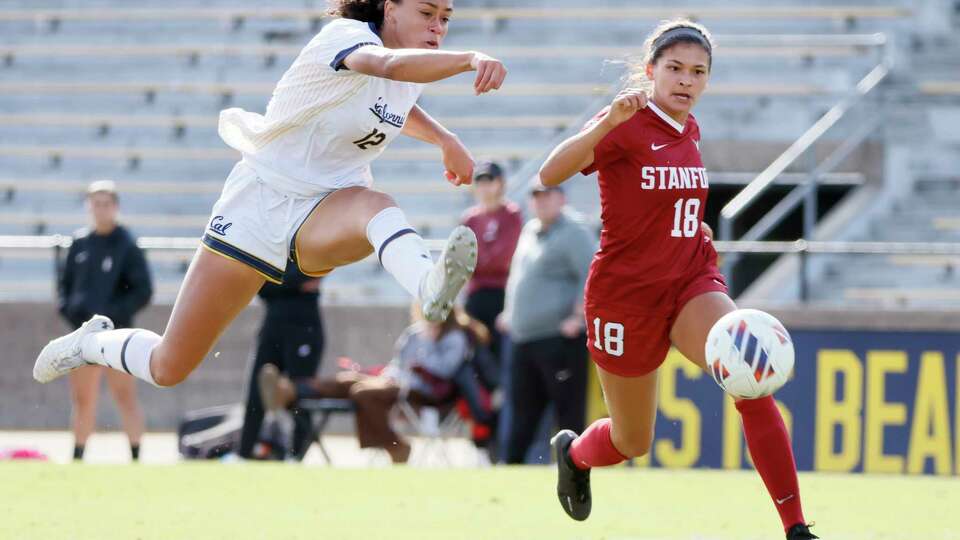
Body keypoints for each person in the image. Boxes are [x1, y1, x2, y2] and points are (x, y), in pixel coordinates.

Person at [34, 1, 507, 395]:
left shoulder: (413, 69)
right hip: (258, 205)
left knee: (376, 206)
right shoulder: (343, 36)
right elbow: (383, 66)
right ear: (389, 8)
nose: (438, 27)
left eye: (446, 17)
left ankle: (430, 287)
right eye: (427, 12)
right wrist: (468, 60)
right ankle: (91, 344)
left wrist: (444, 138)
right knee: (168, 367)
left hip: (329, 205)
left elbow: (393, 97)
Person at [537, 20, 817, 540]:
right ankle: (574, 454)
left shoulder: (689, 126)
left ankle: (795, 526)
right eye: (674, 69)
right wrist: (603, 125)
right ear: (650, 71)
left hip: (690, 279)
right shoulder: (625, 119)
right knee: (631, 441)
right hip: (625, 298)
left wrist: (689, 224)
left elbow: (667, 194)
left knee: (750, 376)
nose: (686, 81)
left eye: (698, 72)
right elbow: (549, 174)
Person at [258, 305, 490, 463]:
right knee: (348, 380)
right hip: (396, 380)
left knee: (364, 393)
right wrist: (390, 373)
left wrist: (426, 349)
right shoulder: (415, 332)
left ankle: (395, 445)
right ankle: (289, 391)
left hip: (425, 390)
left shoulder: (454, 336)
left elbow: (445, 370)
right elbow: (398, 362)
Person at [499, 180, 594, 464]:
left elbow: (592, 276)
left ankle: (573, 472)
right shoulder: (530, 230)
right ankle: (510, 472)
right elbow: (519, 277)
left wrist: (578, 317)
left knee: (567, 414)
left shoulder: (574, 231)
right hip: (523, 337)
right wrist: (509, 313)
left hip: (559, 338)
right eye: (536, 196)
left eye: (547, 195)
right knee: (521, 413)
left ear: (562, 198)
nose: (541, 201)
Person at [58, 180, 152, 462]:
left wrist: (113, 315)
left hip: (116, 335)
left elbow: (143, 290)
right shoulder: (80, 243)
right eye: (96, 204)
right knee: (82, 399)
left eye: (106, 203)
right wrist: (72, 311)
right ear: (89, 206)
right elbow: (65, 287)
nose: (101, 209)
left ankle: (135, 455)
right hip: (83, 335)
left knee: (124, 396)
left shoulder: (127, 245)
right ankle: (78, 455)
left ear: (116, 207)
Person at [238, 264, 324, 460]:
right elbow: (259, 286)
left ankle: (296, 455)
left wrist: (275, 281)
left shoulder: (306, 241)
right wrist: (293, 282)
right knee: (256, 391)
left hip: (304, 327)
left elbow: (313, 272)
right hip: (272, 327)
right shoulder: (270, 246)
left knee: (300, 392)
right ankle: (244, 454)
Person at [460, 161, 523, 378]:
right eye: (481, 182)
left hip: (501, 294)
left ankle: (500, 403)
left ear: (501, 184)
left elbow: (504, 258)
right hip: (475, 294)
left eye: (490, 181)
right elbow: (461, 257)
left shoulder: (512, 215)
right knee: (474, 354)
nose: (485, 187)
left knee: (500, 354)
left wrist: (478, 261)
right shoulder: (470, 218)